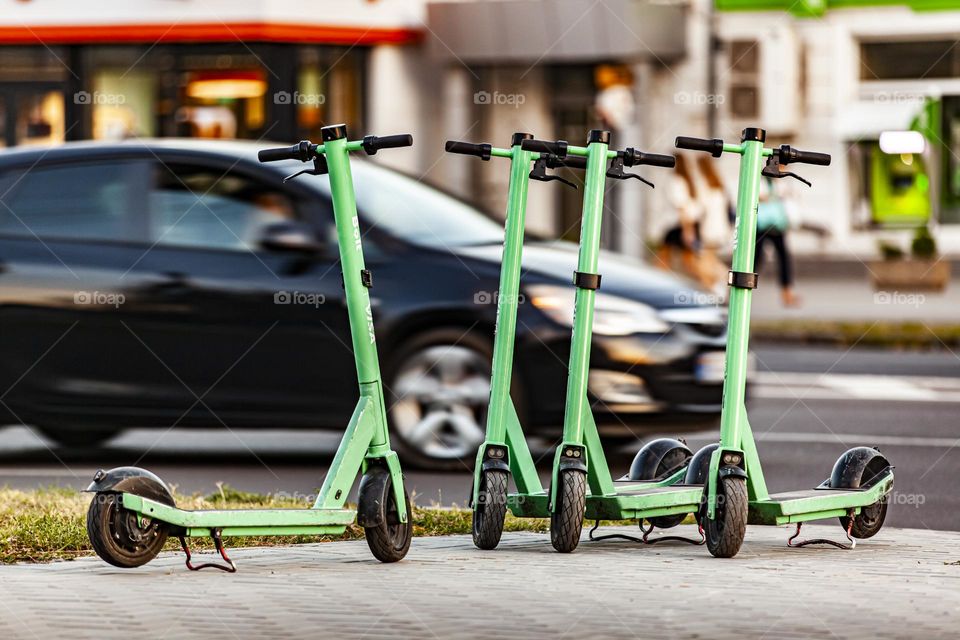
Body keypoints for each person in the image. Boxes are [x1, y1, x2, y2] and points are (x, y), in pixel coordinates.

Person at [755, 172, 800, 307]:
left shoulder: (784, 181)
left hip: (777, 224)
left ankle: (787, 293)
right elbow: (759, 196)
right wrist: (775, 195)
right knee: (755, 258)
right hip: (763, 224)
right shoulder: (764, 181)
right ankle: (741, 287)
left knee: (784, 258)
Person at [657, 154, 703, 284]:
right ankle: (712, 285)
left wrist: (687, 231)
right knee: (688, 260)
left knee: (665, 259)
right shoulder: (688, 180)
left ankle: (711, 285)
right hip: (690, 223)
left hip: (680, 224)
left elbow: (682, 207)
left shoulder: (676, 181)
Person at [694, 155, 732, 296]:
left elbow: (699, 209)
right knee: (710, 260)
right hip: (721, 228)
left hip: (709, 229)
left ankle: (720, 284)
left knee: (703, 263)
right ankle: (719, 285)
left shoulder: (703, 185)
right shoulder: (719, 185)